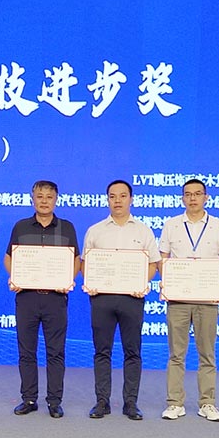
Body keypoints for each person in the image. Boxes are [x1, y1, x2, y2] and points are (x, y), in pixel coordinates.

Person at [82, 179, 160, 421]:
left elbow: (153, 264)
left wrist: (141, 283)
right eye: (113, 196)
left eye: (123, 196)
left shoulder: (143, 230)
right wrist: (92, 282)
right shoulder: (95, 230)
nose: (117, 201)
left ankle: (131, 403)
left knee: (132, 351)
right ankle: (102, 401)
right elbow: (86, 263)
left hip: (132, 299)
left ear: (131, 199)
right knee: (101, 351)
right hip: (102, 299)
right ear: (107, 200)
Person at [159, 178, 219, 422]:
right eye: (188, 194)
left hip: (208, 300)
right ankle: (175, 403)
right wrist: (171, 281)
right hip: (178, 299)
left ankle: (207, 403)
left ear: (206, 197)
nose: (192, 198)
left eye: (197, 194)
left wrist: (215, 284)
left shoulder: (218, 226)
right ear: (182, 198)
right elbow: (162, 259)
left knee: (207, 354)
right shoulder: (171, 225)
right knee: (176, 355)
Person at [4, 180, 78, 419]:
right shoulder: (21, 226)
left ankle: (54, 401)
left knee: (55, 352)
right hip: (27, 298)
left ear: (56, 200)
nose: (44, 201)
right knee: (27, 351)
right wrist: (15, 277)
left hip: (56, 298)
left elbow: (75, 259)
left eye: (49, 197)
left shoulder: (67, 227)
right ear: (32, 199)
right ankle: (29, 398)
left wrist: (68, 279)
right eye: (39, 196)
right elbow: (9, 257)